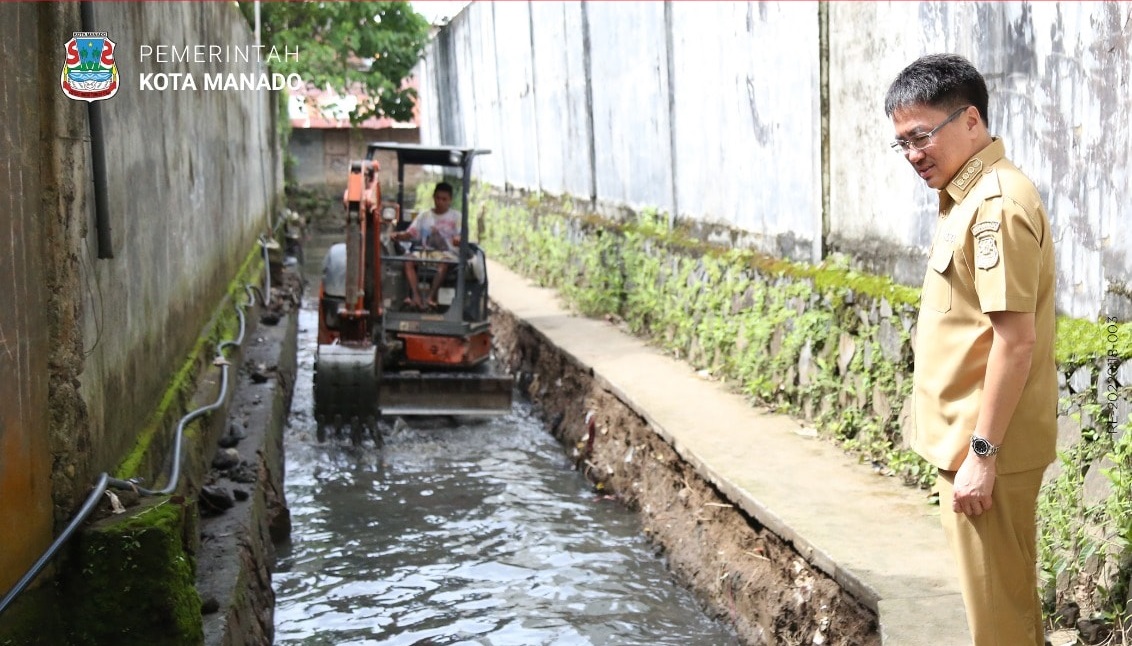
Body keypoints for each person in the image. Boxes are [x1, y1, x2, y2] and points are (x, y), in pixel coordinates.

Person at [885, 54, 1057, 646]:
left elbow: (1015, 341)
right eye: (902, 142)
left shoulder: (996, 206)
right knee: (1001, 610)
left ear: (972, 121)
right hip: (971, 445)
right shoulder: (968, 197)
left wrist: (982, 454)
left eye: (921, 135)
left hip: (987, 448)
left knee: (999, 624)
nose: (913, 154)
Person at [391, 182, 462, 310]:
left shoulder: (456, 217)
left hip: (447, 253)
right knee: (407, 260)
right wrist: (398, 236)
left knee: (444, 262)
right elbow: (410, 233)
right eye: (438, 198)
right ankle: (416, 296)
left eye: (444, 199)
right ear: (434, 197)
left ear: (450, 200)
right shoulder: (424, 216)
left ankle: (430, 297)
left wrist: (458, 239)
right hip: (426, 252)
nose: (440, 202)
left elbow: (461, 235)